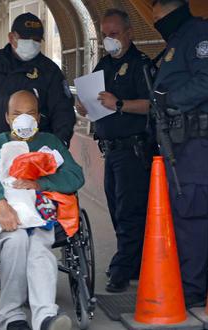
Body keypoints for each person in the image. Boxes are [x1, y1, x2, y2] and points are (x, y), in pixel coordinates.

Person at [0, 90, 84, 330]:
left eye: (30, 113)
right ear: (8, 118)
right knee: (17, 241)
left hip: (40, 216)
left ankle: (46, 317)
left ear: (39, 117)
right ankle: (12, 317)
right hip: (7, 216)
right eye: (17, 114)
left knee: (39, 247)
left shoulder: (50, 143)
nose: (24, 119)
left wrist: (42, 183)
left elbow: (75, 175)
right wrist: (1, 204)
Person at [151, 0, 208, 307]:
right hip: (178, 140)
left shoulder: (199, 34)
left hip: (195, 139)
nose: (155, 22)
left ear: (171, 11)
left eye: (156, 17)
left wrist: (171, 98)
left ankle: (192, 287)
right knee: (179, 211)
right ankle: (183, 280)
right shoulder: (179, 38)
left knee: (191, 210)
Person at [75, 9, 153, 293]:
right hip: (111, 150)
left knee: (130, 210)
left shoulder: (141, 65)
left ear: (130, 33)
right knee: (118, 210)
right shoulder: (104, 65)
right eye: (105, 35)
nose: (110, 40)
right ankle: (131, 262)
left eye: (115, 34)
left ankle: (122, 269)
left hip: (134, 149)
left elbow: (151, 104)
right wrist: (84, 107)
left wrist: (119, 104)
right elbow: (93, 99)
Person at [0, 12, 75, 173]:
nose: (32, 43)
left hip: (35, 155)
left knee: (31, 196)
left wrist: (58, 148)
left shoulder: (49, 71)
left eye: (37, 40)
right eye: (26, 39)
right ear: (11, 38)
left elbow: (63, 112)